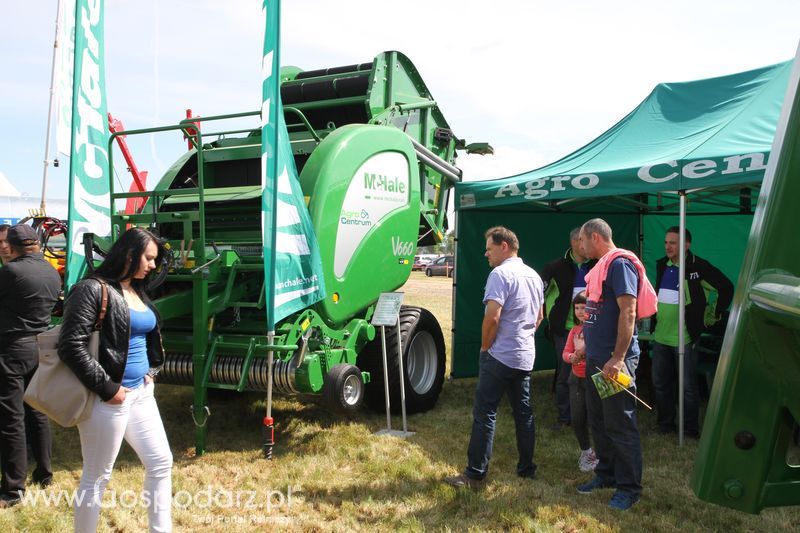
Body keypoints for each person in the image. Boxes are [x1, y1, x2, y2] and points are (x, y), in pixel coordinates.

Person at [58, 227, 173, 532]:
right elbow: (70, 344)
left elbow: (145, 336)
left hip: (141, 394)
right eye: (148, 258)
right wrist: (108, 389)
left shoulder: (136, 289)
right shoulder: (91, 289)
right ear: (130, 253)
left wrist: (151, 373)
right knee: (96, 476)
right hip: (107, 398)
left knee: (161, 462)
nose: (152, 265)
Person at [445, 226, 544, 488]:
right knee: (523, 413)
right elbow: (539, 317)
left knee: (485, 413)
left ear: (504, 246)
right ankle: (526, 469)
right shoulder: (533, 275)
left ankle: (475, 475)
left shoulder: (499, 274)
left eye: (489, 248)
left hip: (500, 356)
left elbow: (493, 317)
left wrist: (486, 348)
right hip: (525, 355)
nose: (485, 254)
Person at [576, 218, 656, 511]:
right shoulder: (600, 267)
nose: (581, 246)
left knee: (620, 424)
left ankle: (629, 488)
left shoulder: (619, 264)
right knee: (599, 421)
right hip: (598, 359)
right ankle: (606, 474)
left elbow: (629, 311)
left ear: (595, 238)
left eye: (583, 241)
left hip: (615, 361)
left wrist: (619, 358)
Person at [651, 227, 733, 438]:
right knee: (660, 383)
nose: (668, 246)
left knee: (687, 387)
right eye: (666, 242)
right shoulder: (662, 264)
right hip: (660, 336)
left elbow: (726, 287)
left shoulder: (699, 266)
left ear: (687, 245)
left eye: (674, 243)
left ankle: (689, 429)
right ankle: (665, 424)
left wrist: (711, 316)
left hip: (685, 337)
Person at [0, 224, 61, 508]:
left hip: (12, 348)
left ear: (11, 247)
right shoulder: (50, 271)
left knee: (11, 418)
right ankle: (45, 473)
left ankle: (12, 490)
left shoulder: (11, 272)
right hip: (41, 346)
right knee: (37, 411)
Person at [541, 227, 597, 429]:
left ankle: (590, 417)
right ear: (574, 242)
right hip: (565, 331)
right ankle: (565, 418)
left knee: (591, 374)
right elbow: (540, 295)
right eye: (582, 241)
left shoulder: (597, 265)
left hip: (592, 331)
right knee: (565, 375)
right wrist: (548, 318)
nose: (586, 245)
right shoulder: (555, 266)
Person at [561, 291, 598, 472]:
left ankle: (601, 453)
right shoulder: (574, 331)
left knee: (597, 418)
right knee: (577, 418)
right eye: (577, 308)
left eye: (584, 307)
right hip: (576, 379)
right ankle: (586, 451)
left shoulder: (597, 331)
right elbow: (565, 353)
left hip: (594, 379)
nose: (580, 311)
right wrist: (571, 357)